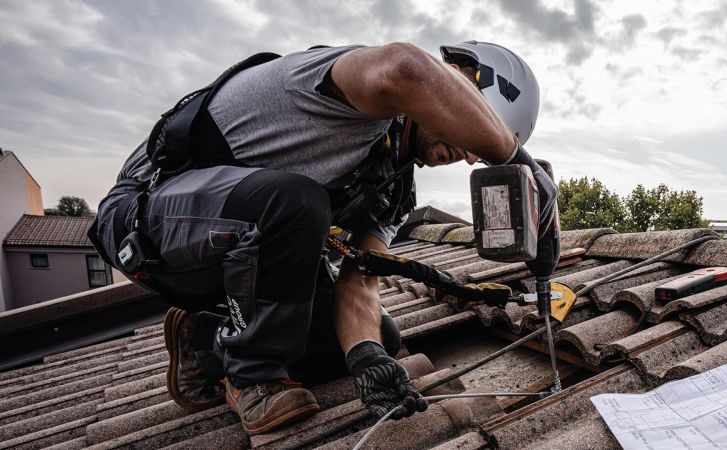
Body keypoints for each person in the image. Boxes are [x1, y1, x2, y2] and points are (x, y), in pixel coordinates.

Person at [89, 41, 557, 435]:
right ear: (453, 79)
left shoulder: (392, 186)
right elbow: (407, 70)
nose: (473, 154)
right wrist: (519, 161)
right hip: (147, 220)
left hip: (234, 248)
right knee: (297, 201)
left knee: (376, 338)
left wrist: (366, 355)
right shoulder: (349, 92)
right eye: (476, 123)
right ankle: (253, 377)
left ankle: (208, 342)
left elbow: (363, 278)